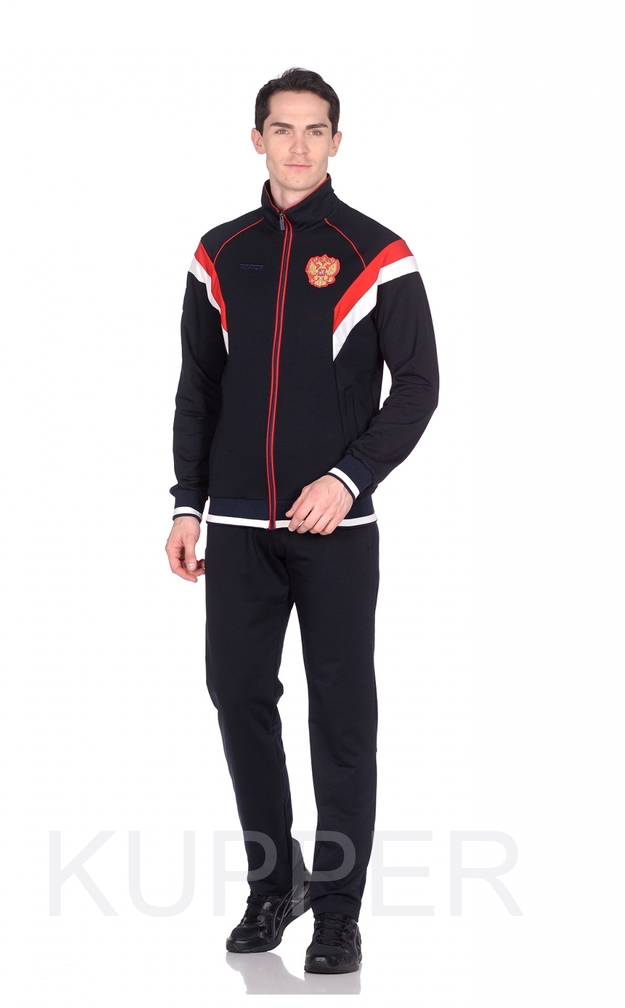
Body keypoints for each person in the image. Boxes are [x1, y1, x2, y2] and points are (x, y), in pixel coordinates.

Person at [165, 67, 439, 975]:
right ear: (257, 139)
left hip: (336, 534)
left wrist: (349, 479)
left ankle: (338, 912)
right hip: (239, 528)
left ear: (336, 142)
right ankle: (273, 883)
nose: (297, 145)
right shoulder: (219, 252)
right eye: (281, 129)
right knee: (237, 694)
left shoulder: (377, 252)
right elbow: (199, 389)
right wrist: (187, 503)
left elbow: (419, 387)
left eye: (314, 130)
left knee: (342, 719)